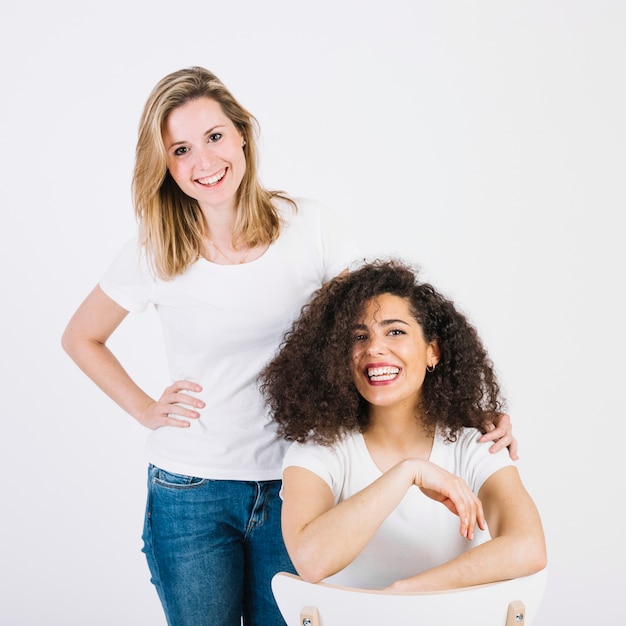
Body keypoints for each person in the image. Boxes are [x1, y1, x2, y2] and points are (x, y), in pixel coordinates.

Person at [61, 67, 517, 626]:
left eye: (214, 137)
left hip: (301, 485)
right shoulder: (156, 249)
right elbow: (81, 337)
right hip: (191, 492)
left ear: (242, 135)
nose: (204, 162)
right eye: (180, 149)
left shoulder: (310, 227)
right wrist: (144, 408)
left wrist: (469, 411)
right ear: (165, 166)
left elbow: (381, 333)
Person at [260, 259, 547, 592]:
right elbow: (310, 561)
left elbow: (528, 547)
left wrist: (406, 593)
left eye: (395, 331)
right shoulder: (317, 451)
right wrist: (407, 473)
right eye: (358, 336)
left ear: (433, 351)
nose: (374, 348)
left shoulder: (476, 444)